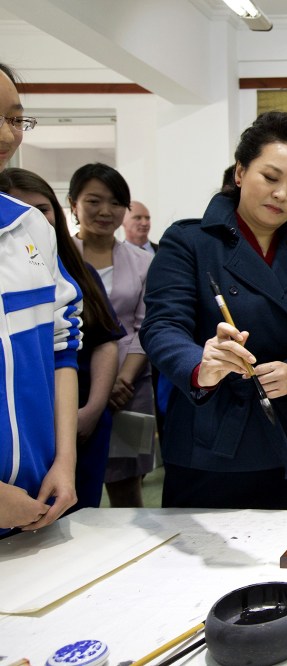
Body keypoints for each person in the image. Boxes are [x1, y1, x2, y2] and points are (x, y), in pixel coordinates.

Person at [140, 111, 287, 510]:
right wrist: (202, 364)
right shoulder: (189, 242)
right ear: (240, 172)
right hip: (210, 433)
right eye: (270, 178)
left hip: (284, 431)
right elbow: (162, 327)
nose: (281, 194)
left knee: (278, 558)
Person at [0, 168, 124, 510]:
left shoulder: (74, 272)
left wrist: (91, 410)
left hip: (73, 412)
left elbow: (89, 341)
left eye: (41, 209)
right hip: (30, 432)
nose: (24, 221)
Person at [0, 62, 82, 535]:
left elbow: (61, 346)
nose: (6, 135)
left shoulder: (30, 227)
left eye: (15, 118)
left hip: (38, 504)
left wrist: (65, 462)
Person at [69, 162, 154, 508]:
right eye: (93, 201)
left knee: (126, 488)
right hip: (69, 384)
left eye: (116, 202)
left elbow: (144, 325)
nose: (105, 211)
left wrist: (122, 380)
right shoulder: (55, 258)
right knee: (67, 481)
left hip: (129, 389)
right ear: (73, 203)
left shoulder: (142, 262)